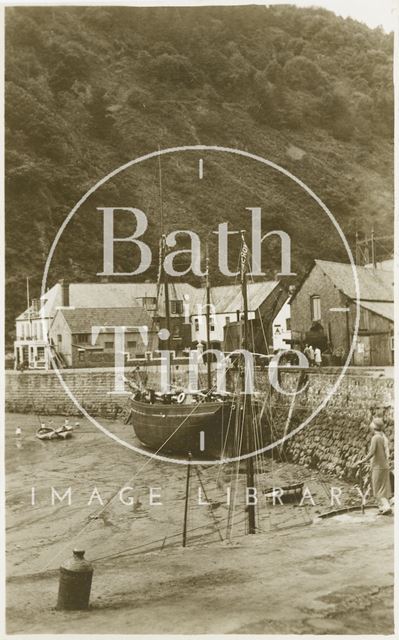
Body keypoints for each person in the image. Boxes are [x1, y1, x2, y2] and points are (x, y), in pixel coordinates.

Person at [355, 417, 392, 515]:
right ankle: (383, 507)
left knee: (377, 488)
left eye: (372, 423)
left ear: (374, 426)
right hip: (384, 466)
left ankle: (387, 507)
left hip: (378, 467)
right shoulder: (383, 437)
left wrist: (362, 461)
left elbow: (371, 452)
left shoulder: (375, 438)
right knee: (383, 488)